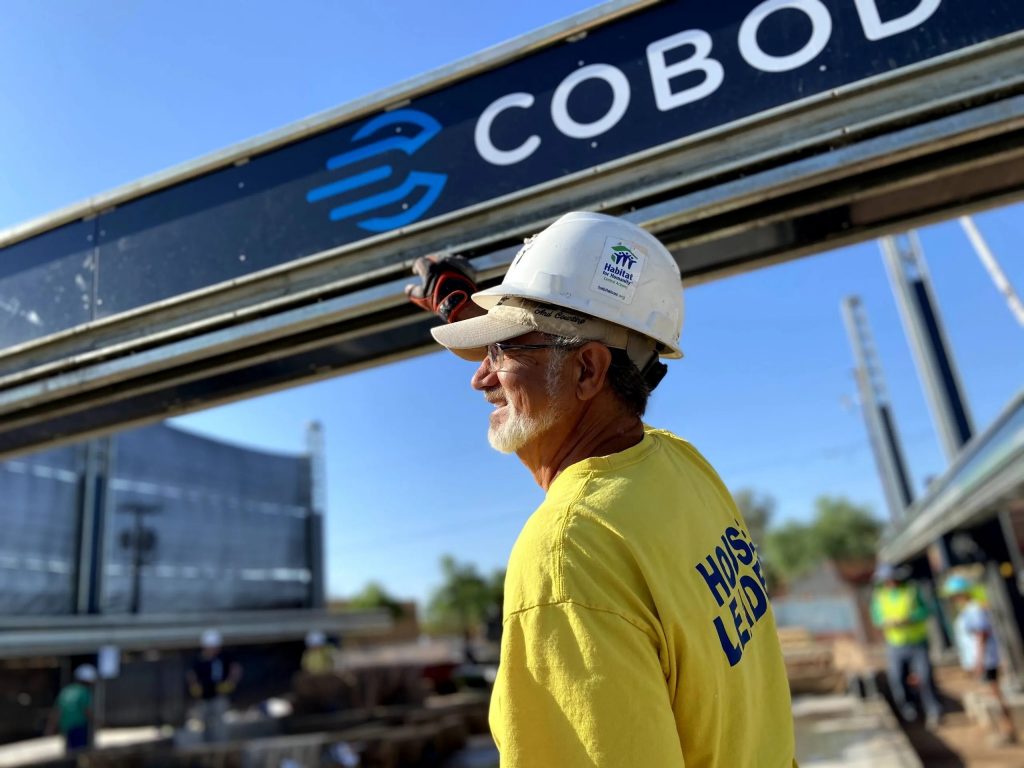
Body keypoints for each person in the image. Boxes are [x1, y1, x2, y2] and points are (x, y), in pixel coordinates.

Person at [407, 211, 796, 766]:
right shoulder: (678, 466)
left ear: (589, 371)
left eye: (500, 350)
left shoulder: (566, 554)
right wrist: (482, 321)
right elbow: (558, 396)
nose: (479, 377)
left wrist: (521, 346)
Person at [944, 573, 1017, 744]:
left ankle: (1007, 730)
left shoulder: (974, 609)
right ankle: (1003, 730)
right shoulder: (967, 610)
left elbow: (981, 635)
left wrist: (979, 661)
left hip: (985, 660)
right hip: (982, 659)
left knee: (994, 694)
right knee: (992, 694)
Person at [870, 563, 942, 728]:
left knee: (925, 676)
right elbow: (876, 618)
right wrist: (886, 622)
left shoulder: (911, 591)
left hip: (917, 642)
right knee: (897, 679)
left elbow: (926, 610)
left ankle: (934, 710)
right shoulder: (879, 596)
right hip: (895, 644)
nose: (890, 582)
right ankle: (908, 711)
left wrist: (910, 619)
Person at [186, 629, 242, 742]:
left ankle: (221, 745)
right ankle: (207, 745)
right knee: (204, 722)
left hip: (219, 695)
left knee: (219, 722)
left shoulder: (223, 657)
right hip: (204, 696)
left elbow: (236, 669)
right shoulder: (199, 659)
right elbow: (191, 674)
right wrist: (194, 686)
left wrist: (230, 682)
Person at [46, 664, 96, 753]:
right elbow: (86, 710)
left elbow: (57, 711)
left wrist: (50, 728)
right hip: (79, 728)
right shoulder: (84, 692)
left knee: (70, 752)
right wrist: (97, 721)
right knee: (81, 753)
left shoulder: (66, 691)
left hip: (66, 728)